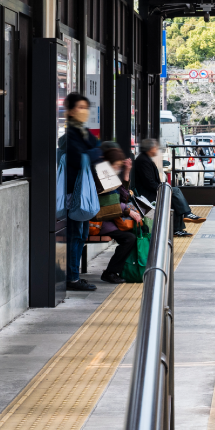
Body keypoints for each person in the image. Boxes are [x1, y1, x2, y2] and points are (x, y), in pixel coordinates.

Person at [64, 93, 104, 292]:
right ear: (70, 111)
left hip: (83, 192)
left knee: (81, 234)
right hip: (73, 193)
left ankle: (75, 275)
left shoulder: (84, 132)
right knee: (75, 234)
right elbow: (82, 157)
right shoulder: (70, 134)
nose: (84, 111)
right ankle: (72, 277)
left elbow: (97, 149)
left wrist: (94, 152)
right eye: (80, 107)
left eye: (85, 107)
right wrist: (94, 153)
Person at [133, 138, 203, 238]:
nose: (157, 150)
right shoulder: (143, 161)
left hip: (149, 191)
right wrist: (163, 189)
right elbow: (149, 183)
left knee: (174, 197)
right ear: (150, 148)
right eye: (155, 148)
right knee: (174, 191)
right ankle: (186, 215)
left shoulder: (145, 159)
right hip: (146, 195)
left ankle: (178, 227)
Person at [96, 144, 142, 284]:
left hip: (110, 219)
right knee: (129, 238)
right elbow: (108, 202)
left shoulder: (108, 174)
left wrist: (127, 172)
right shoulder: (101, 175)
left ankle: (120, 269)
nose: (118, 168)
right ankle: (111, 272)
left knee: (134, 233)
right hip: (102, 221)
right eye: (116, 165)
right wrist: (128, 210)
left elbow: (124, 196)